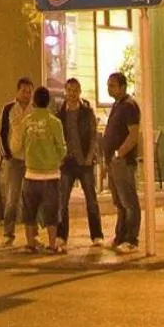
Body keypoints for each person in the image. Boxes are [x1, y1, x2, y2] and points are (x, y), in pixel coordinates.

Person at [17, 85, 67, 254]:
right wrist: (57, 160)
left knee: (29, 212)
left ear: (34, 101)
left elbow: (19, 145)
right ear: (49, 102)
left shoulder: (26, 121)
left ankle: (30, 244)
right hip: (51, 175)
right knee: (51, 213)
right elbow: (62, 147)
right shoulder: (55, 122)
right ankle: (52, 245)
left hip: (30, 174)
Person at [56, 77, 103, 250]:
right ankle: (62, 235)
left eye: (75, 90)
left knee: (91, 199)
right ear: (65, 92)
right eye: (69, 90)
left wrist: (90, 156)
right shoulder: (60, 113)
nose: (72, 93)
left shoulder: (87, 112)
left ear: (80, 92)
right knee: (62, 201)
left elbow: (93, 136)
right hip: (66, 162)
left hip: (84, 162)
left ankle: (97, 235)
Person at [102, 70, 142, 252]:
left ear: (122, 87)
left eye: (112, 85)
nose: (109, 88)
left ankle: (131, 239)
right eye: (108, 85)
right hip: (113, 161)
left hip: (123, 161)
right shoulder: (117, 105)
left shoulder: (129, 106)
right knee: (119, 202)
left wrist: (119, 153)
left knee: (128, 201)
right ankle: (120, 236)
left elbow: (133, 135)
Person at [0, 76, 34, 247]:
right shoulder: (9, 109)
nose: (26, 95)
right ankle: (8, 232)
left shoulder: (34, 110)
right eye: (23, 91)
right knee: (12, 198)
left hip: (32, 161)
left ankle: (32, 233)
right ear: (17, 91)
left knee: (31, 198)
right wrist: (7, 155)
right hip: (14, 160)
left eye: (29, 92)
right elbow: (2, 133)